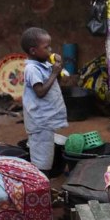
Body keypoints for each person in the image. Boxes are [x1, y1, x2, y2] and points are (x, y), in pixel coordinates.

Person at [20, 27, 68, 172]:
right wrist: (54, 73)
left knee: (46, 155)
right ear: (33, 51)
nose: (50, 50)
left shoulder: (44, 65)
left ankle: (42, 184)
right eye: (46, 47)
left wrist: (57, 71)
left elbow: (55, 84)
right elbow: (40, 92)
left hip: (45, 120)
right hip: (39, 122)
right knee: (41, 160)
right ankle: (40, 186)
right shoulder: (32, 69)